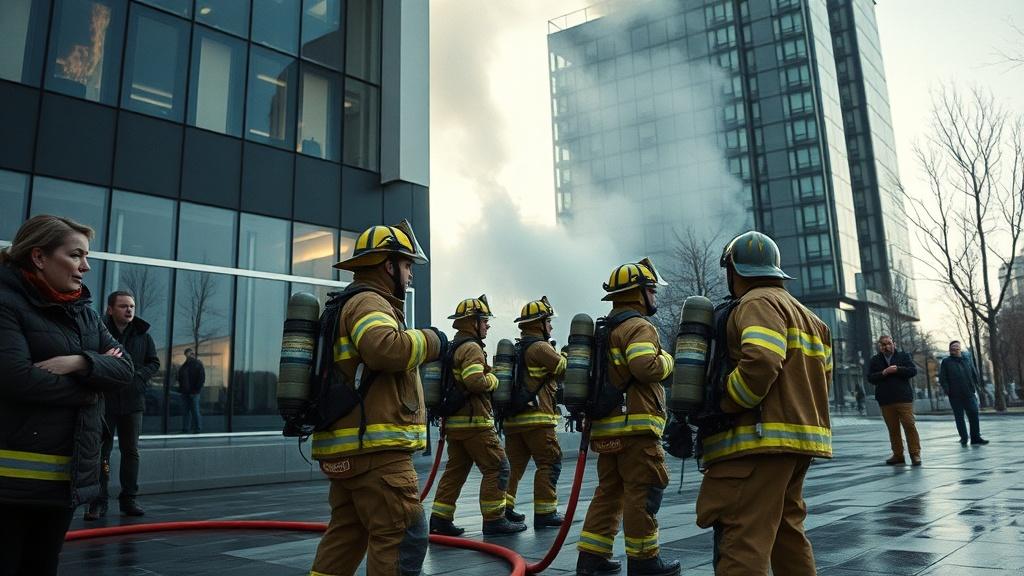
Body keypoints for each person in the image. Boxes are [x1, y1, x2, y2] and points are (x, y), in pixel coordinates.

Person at [307, 220, 445, 576]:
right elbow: (384, 349)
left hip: (351, 451)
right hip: (376, 454)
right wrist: (433, 340)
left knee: (346, 536)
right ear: (388, 265)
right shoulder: (369, 302)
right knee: (402, 534)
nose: (410, 275)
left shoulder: (349, 303)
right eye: (407, 265)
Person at [0, 215, 134, 575]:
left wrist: (79, 362)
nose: (85, 266)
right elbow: (17, 379)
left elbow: (125, 369)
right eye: (75, 255)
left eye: (86, 256)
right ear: (39, 257)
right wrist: (92, 390)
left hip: (65, 481)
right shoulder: (5, 304)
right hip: (10, 486)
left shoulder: (84, 315)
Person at [695, 231, 832, 576]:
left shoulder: (756, 303)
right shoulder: (811, 318)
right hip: (797, 443)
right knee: (787, 533)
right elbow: (822, 381)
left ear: (734, 270)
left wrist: (725, 402)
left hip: (756, 442)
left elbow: (762, 360)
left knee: (743, 538)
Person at [576, 258, 679, 576]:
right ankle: (645, 560)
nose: (655, 296)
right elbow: (645, 366)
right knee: (643, 491)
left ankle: (592, 559)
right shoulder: (638, 327)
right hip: (636, 430)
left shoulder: (604, 330)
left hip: (607, 430)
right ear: (638, 293)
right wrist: (668, 360)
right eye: (652, 290)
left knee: (609, 492)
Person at [429, 295, 526, 536]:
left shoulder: (455, 346)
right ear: (472, 322)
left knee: (456, 471)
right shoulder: (471, 348)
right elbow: (474, 381)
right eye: (484, 321)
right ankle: (494, 520)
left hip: (456, 424)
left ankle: (440, 519)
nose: (487, 325)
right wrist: (493, 380)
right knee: (498, 467)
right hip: (475, 424)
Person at [84, 291, 160, 520]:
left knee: (131, 451)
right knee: (102, 453)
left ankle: (129, 499)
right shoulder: (99, 332)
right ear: (110, 309)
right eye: (123, 306)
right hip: (105, 403)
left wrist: (138, 377)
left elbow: (154, 362)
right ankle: (99, 501)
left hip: (133, 403)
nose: (129, 310)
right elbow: (88, 358)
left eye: (132, 306)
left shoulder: (143, 335)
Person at [502, 296, 566, 529]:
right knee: (549, 462)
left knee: (514, 467)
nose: (551, 327)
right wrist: (568, 354)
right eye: (548, 322)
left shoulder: (520, 348)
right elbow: (564, 368)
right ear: (538, 324)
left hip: (514, 421)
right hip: (538, 420)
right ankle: (546, 512)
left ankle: (505, 509)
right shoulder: (540, 347)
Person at [867, 335, 921, 466]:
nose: (886, 346)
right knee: (893, 429)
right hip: (885, 400)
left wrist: (898, 369)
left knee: (909, 425)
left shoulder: (903, 356)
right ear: (879, 347)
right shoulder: (875, 360)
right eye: (883, 344)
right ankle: (898, 455)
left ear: (894, 344)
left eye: (888, 343)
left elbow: (913, 371)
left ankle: (915, 454)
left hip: (903, 398)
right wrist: (884, 373)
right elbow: (870, 378)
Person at [939, 341, 989, 446]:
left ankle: (975, 438)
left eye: (956, 346)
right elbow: (942, 378)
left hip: (969, 393)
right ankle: (964, 438)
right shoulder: (946, 362)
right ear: (950, 350)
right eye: (952, 347)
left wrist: (976, 386)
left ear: (960, 349)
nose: (954, 348)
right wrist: (948, 391)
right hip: (955, 395)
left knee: (974, 414)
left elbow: (973, 373)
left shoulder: (967, 359)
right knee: (959, 417)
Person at [177, 348, 206, 434]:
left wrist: (196, 390)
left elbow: (201, 379)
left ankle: (197, 428)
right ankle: (185, 428)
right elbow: (180, 378)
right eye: (186, 354)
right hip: (185, 392)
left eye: (189, 353)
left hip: (194, 392)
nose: (188, 355)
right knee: (186, 411)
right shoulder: (184, 365)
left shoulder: (197, 364)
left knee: (195, 411)